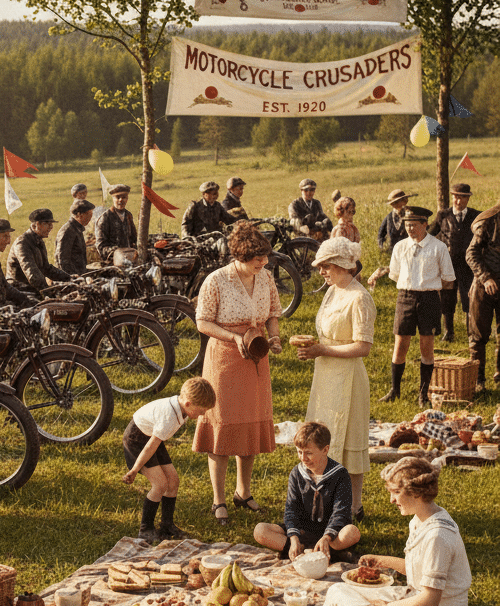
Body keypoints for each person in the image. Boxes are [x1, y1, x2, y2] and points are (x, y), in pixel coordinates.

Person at [193, 221, 283, 525]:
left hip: (256, 356)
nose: (264, 263)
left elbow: (273, 313)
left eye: (265, 257)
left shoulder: (265, 277)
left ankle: (243, 492)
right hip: (225, 359)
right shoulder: (217, 280)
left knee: (249, 426)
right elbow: (203, 322)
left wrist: (275, 337)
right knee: (222, 426)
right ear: (241, 256)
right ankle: (218, 499)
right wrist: (234, 337)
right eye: (258, 258)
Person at [322, 456, 471, 606]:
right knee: (337, 590)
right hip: (415, 601)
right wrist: (383, 561)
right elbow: (419, 569)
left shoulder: (438, 536)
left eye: (396, 492)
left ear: (416, 493)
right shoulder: (420, 519)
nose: (392, 500)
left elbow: (430, 599)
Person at [296, 238, 375, 520]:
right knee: (323, 434)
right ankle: (325, 501)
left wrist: (323, 350)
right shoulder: (331, 291)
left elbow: (363, 347)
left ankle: (353, 506)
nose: (321, 272)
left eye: (326, 266)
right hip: (325, 375)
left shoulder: (360, 297)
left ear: (342, 265)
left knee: (350, 438)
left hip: (349, 377)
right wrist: (312, 348)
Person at [369, 208, 456, 405]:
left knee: (426, 346)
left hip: (429, 299)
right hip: (405, 297)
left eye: (414, 225)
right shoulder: (400, 247)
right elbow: (395, 274)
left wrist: (428, 287)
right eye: (407, 225)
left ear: (425, 224)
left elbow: (448, 279)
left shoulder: (438, 247)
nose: (410, 229)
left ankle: (423, 394)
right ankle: (394, 390)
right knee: (400, 344)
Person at [122, 377, 216, 542]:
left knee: (173, 481)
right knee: (160, 484)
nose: (203, 414)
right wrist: (135, 469)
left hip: (152, 437)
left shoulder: (182, 408)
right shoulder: (169, 417)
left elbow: (155, 440)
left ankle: (166, 526)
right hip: (137, 440)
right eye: (201, 410)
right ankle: (145, 529)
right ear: (188, 403)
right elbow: (149, 447)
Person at [253, 421, 361, 561]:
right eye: (299, 452)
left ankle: (323, 548)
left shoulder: (340, 474)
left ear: (325, 450)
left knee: (352, 532)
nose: (303, 458)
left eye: (309, 453)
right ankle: (305, 549)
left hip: (331, 534)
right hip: (303, 532)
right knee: (260, 530)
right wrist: (294, 538)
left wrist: (327, 537)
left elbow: (341, 512)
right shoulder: (296, 473)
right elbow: (291, 509)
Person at [430, 183, 479, 342]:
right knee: (447, 299)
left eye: (462, 197)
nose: (458, 201)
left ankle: (471, 332)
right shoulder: (443, 215)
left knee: (469, 298)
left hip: (468, 266)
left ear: (468, 199)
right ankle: (449, 332)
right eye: (456, 197)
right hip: (447, 266)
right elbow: (429, 234)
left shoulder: (476, 216)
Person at [466, 196, 500, 391]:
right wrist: (485, 278)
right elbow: (471, 253)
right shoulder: (488, 221)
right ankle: (478, 380)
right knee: (478, 334)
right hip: (484, 284)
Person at [7, 208, 71, 292]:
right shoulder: (22, 243)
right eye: (47, 224)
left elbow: (47, 268)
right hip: (19, 290)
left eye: (51, 224)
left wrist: (69, 278)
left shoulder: (39, 241)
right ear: (36, 225)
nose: (51, 227)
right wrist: (47, 290)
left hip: (32, 288)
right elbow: (32, 274)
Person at [95, 183, 137, 261]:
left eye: (124, 197)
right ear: (113, 199)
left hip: (129, 257)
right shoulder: (105, 218)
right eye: (117, 197)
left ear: (127, 199)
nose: (121, 200)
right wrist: (116, 253)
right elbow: (101, 246)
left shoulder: (128, 215)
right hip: (112, 260)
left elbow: (134, 239)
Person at [55, 198, 95, 276]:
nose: (90, 219)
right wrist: (72, 277)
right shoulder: (68, 231)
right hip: (72, 277)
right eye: (89, 216)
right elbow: (62, 260)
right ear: (80, 215)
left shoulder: (77, 229)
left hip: (80, 274)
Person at [377, 188, 417, 253]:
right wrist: (382, 247)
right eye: (395, 202)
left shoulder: (411, 214)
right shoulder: (389, 217)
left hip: (409, 251)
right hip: (393, 252)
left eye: (402, 200)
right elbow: (380, 234)